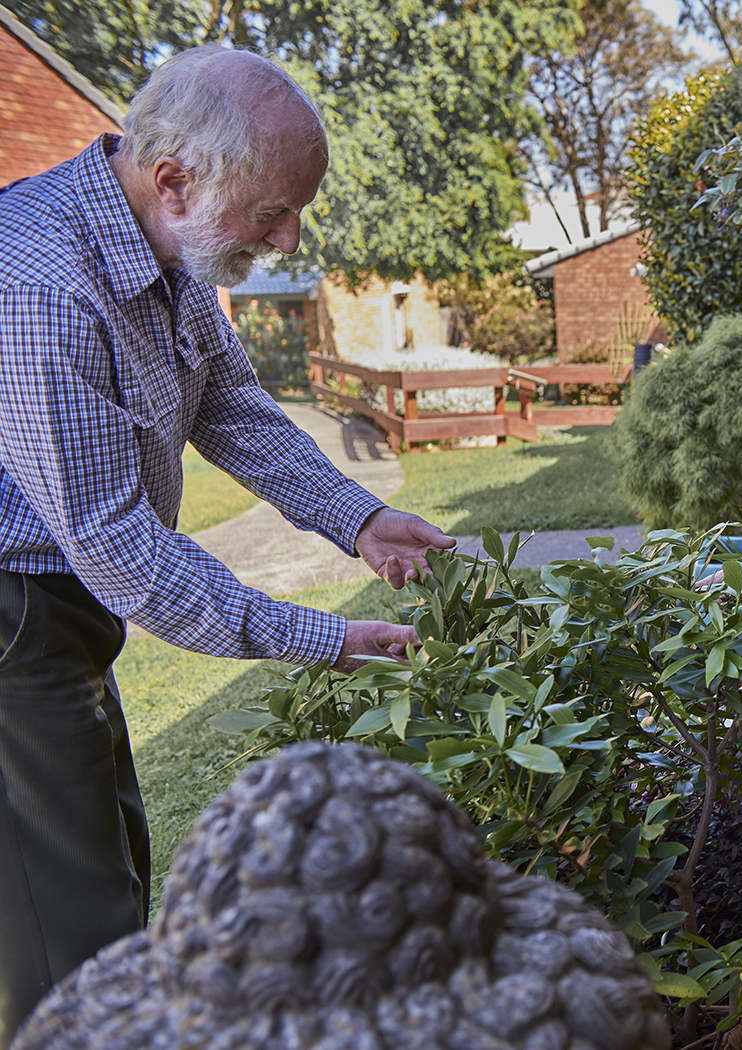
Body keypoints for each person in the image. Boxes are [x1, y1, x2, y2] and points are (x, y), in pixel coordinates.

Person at [0, 45, 453, 1040]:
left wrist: (359, 518)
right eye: (273, 212)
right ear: (174, 178)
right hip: (15, 617)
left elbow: (231, 406)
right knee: (69, 926)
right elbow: (115, 543)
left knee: (113, 866)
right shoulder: (42, 283)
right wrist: (319, 637)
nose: (287, 239)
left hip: (61, 608)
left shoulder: (168, 250)